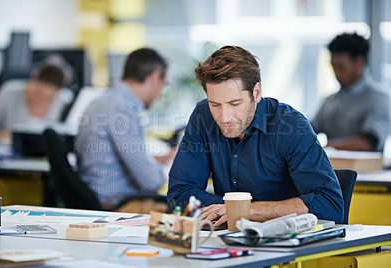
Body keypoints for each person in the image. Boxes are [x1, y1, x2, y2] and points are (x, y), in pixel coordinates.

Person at [167, 46, 344, 226]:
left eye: (235, 103)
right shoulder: (202, 116)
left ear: (256, 93)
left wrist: (244, 211)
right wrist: (226, 210)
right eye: (215, 105)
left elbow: (329, 205)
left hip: (287, 243)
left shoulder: (291, 126)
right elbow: (180, 195)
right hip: (227, 242)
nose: (224, 117)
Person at [75, 48, 175, 210]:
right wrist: (173, 164)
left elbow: (115, 157)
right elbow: (151, 181)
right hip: (115, 204)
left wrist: (161, 158)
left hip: (98, 195)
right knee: (186, 212)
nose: (161, 95)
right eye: (164, 85)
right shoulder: (122, 109)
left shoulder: (106, 101)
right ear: (154, 77)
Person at [311, 32, 390, 152]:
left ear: (359, 62)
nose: (336, 73)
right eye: (333, 67)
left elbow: (370, 142)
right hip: (332, 169)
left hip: (365, 170)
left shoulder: (379, 99)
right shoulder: (330, 101)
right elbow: (308, 129)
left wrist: (326, 148)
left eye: (341, 67)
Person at [0, 55, 73, 141]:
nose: (42, 99)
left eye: (49, 97)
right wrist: (10, 136)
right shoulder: (8, 91)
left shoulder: (66, 99)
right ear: (34, 76)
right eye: (38, 93)